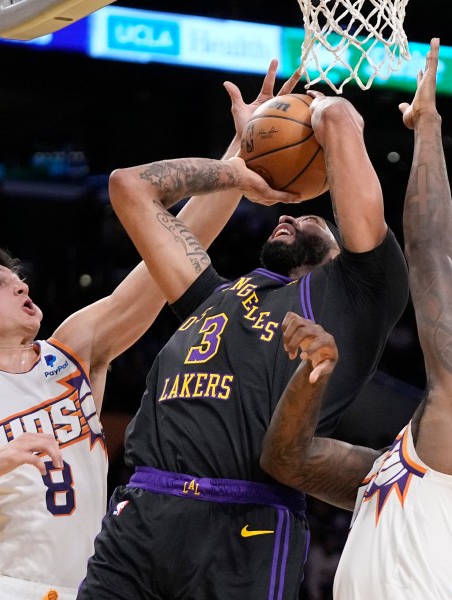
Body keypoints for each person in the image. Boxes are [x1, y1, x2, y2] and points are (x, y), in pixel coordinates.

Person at [0, 61, 301, 600]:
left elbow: (174, 252)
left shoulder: (73, 352)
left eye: (19, 279)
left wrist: (241, 152)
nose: (21, 287)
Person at [258, 38, 452, 599]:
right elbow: (286, 459)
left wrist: (427, 125)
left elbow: (429, 252)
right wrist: (313, 377)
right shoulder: (405, 466)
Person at [78, 77, 410, 598]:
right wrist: (238, 162)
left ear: (338, 250)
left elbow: (342, 125)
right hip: (139, 511)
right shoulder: (208, 294)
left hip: (245, 521)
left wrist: (327, 113)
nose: (289, 215)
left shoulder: (359, 294)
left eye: (308, 217)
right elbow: (129, 186)